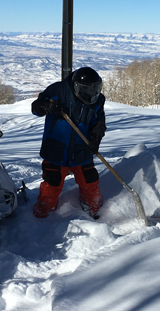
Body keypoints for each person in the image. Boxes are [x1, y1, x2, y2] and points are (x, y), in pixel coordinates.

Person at [31, 67, 106, 218]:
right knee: (52, 182)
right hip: (56, 148)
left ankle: (94, 208)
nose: (92, 94)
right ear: (77, 87)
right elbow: (36, 107)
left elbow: (99, 122)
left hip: (81, 148)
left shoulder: (97, 100)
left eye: (95, 89)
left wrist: (95, 138)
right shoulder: (58, 90)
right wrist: (47, 107)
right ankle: (43, 212)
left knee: (89, 179)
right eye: (88, 89)